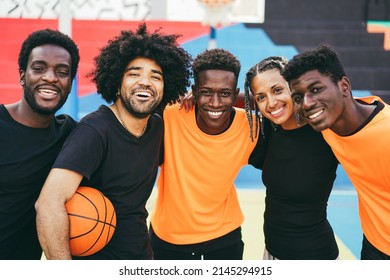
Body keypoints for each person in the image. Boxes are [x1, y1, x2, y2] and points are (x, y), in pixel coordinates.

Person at [35, 23, 192, 260]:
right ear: (118, 83)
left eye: (155, 76)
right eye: (134, 74)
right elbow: (48, 204)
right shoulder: (94, 131)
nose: (145, 82)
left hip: (141, 257)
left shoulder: (158, 126)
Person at [149, 48, 264, 260]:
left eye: (225, 93)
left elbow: (281, 106)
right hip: (168, 240)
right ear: (194, 90)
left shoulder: (251, 126)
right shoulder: (170, 116)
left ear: (236, 92)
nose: (215, 103)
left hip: (224, 238)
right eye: (206, 92)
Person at [283, 44, 390, 260]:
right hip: (374, 246)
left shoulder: (385, 133)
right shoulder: (326, 125)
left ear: (344, 86)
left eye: (315, 89)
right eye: (298, 97)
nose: (307, 103)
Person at [243, 56, 339, 260]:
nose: (270, 103)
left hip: (315, 259)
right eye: (261, 97)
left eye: (277, 90)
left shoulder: (326, 131)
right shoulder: (268, 128)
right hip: (271, 254)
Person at [0, 29, 80, 260]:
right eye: (39, 68)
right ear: (22, 75)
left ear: (69, 82)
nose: (50, 77)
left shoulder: (71, 135)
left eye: (62, 72)